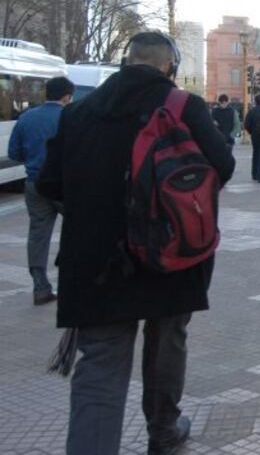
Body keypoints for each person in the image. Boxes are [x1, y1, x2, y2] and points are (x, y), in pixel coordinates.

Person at [36, 31, 235, 455]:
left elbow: (49, 182)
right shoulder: (184, 107)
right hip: (171, 251)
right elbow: (224, 166)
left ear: (127, 62)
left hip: (96, 262)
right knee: (167, 342)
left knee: (101, 366)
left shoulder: (81, 111)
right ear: (169, 66)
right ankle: (163, 430)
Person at [7, 75, 74, 305]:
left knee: (38, 234)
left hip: (34, 184)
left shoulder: (26, 118)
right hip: (65, 185)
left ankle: (40, 287)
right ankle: (70, 278)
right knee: (77, 228)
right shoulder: (71, 116)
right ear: (67, 96)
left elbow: (14, 153)